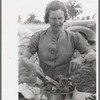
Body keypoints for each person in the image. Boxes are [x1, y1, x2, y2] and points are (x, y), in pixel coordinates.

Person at [21, 0, 96, 86]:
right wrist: (32, 65)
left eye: (60, 18)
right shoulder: (37, 36)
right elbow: (23, 58)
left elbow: (93, 54)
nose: (57, 23)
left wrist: (81, 59)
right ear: (47, 18)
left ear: (65, 18)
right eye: (53, 18)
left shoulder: (74, 37)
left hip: (64, 84)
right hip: (42, 82)